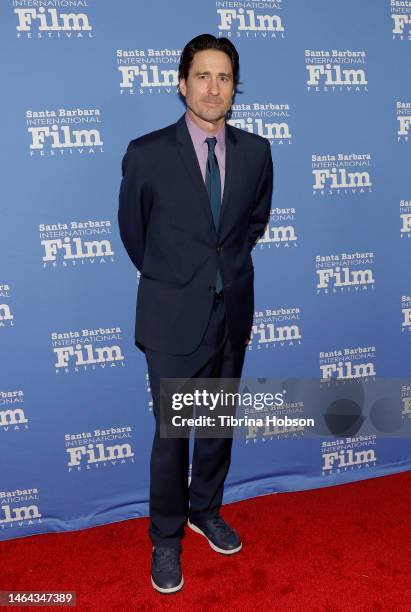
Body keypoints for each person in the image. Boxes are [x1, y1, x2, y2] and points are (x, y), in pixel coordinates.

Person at [118, 33, 273, 594]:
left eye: (224, 78)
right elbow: (134, 234)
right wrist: (177, 279)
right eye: (202, 76)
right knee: (173, 432)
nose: (213, 88)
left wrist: (218, 276)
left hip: (231, 309)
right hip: (170, 315)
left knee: (214, 426)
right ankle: (165, 538)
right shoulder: (148, 152)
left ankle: (205, 509)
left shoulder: (257, 152)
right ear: (182, 83)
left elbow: (251, 227)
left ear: (235, 89)